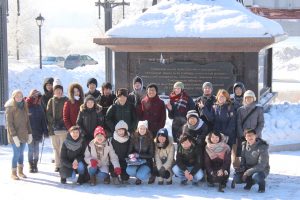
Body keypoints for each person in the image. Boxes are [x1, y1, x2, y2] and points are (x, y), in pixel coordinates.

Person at [5, 89, 33, 180]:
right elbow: (10, 124)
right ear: (14, 97)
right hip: (14, 135)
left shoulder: (24, 106)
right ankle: (13, 173)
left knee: (21, 154)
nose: (19, 98)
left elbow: (27, 121)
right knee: (16, 154)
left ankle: (20, 172)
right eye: (17, 96)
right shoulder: (10, 108)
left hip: (24, 134)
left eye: (21, 96)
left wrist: (30, 133)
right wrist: (14, 136)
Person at [232, 129, 269, 193]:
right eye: (248, 136)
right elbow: (243, 159)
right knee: (237, 178)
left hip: (261, 170)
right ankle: (250, 182)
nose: (250, 137)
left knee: (256, 176)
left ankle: (262, 186)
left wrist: (247, 172)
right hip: (248, 168)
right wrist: (241, 168)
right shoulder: (244, 145)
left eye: (252, 135)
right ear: (245, 137)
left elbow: (261, 165)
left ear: (256, 136)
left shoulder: (262, 147)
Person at [46, 78, 68, 172]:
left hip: (63, 127)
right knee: (55, 147)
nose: (58, 92)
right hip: (53, 127)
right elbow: (48, 113)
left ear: (62, 91)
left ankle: (63, 163)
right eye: (57, 90)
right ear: (54, 91)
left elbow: (68, 113)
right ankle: (57, 164)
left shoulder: (66, 99)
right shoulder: (51, 101)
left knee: (63, 147)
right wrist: (53, 122)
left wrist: (63, 121)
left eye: (60, 90)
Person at [25, 89, 48, 173]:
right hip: (29, 132)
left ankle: (35, 164)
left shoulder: (40, 107)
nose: (35, 98)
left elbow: (43, 120)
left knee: (36, 149)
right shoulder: (26, 106)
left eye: (37, 96)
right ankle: (31, 165)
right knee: (31, 149)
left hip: (38, 132)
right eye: (34, 96)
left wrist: (45, 131)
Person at [236, 90, 264, 157]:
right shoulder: (240, 110)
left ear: (253, 98)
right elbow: (238, 123)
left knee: (256, 154)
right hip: (244, 137)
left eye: (250, 97)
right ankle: (244, 166)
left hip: (256, 136)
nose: (248, 99)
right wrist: (242, 135)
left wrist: (255, 134)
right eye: (247, 97)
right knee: (244, 153)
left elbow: (261, 123)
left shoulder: (258, 109)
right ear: (244, 99)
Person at [126, 120, 154, 185]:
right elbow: (129, 152)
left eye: (144, 128)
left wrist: (139, 155)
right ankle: (138, 176)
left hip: (146, 162)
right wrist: (131, 155)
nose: (142, 130)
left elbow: (151, 155)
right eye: (140, 128)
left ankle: (148, 175)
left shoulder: (150, 139)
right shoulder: (133, 138)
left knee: (141, 175)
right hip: (136, 162)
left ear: (146, 129)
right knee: (129, 170)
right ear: (138, 129)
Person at [110, 120, 131, 184]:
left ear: (125, 131)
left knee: (125, 177)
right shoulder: (112, 139)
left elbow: (130, 150)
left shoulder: (129, 139)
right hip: (115, 160)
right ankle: (114, 176)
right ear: (116, 131)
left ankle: (124, 176)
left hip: (125, 161)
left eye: (122, 130)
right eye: (119, 130)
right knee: (114, 172)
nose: (121, 132)